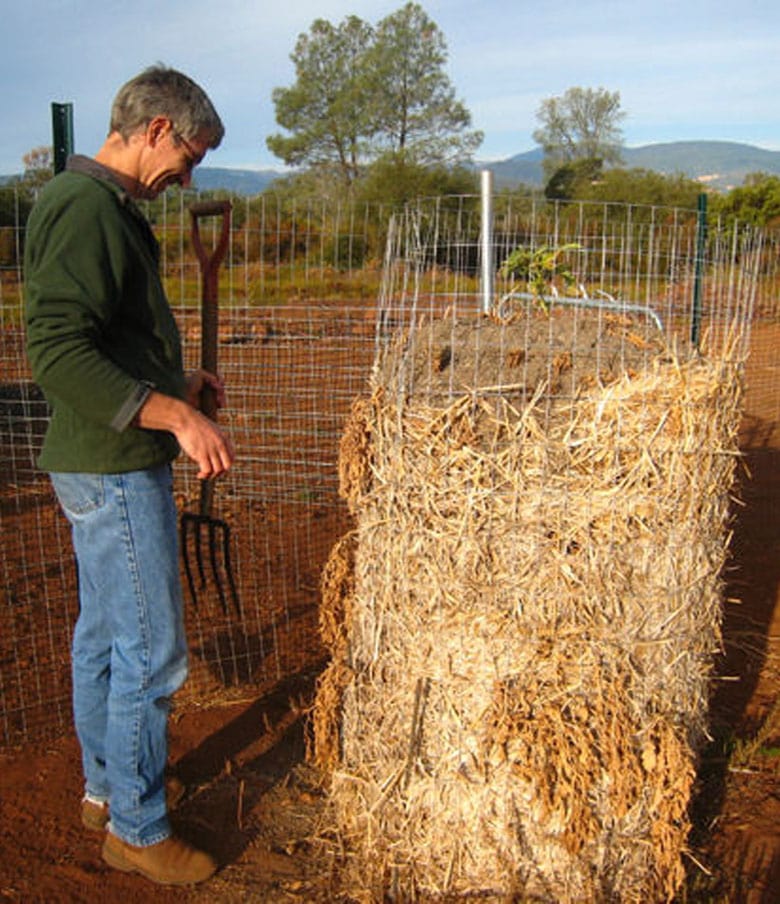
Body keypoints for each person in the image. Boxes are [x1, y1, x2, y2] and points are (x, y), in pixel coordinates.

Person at [24, 65, 234, 886]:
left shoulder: (100, 207)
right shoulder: (83, 210)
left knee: (105, 639)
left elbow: (103, 343)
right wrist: (177, 418)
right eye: (188, 156)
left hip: (99, 455)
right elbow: (58, 352)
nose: (189, 178)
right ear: (155, 129)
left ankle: (106, 789)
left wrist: (172, 389)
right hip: (113, 468)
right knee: (153, 652)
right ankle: (139, 830)